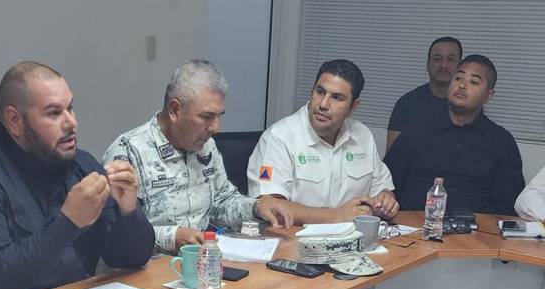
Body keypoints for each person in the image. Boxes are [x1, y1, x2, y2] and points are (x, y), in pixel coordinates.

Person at [0, 62, 154, 289]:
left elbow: (130, 258)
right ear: (14, 120)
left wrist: (128, 213)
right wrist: (68, 222)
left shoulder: (81, 164)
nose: (71, 123)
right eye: (54, 113)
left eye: (70, 108)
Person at [384, 55, 525, 289]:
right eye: (460, 77)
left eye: (475, 81)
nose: (462, 84)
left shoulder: (500, 142)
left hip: (470, 245)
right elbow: (388, 183)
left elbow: (506, 205)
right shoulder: (417, 132)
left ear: (489, 95)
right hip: (411, 239)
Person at [102, 59, 293, 253]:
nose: (216, 128)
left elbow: (222, 202)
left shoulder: (206, 146)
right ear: (175, 110)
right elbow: (115, 234)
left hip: (199, 266)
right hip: (141, 272)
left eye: (220, 116)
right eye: (206, 117)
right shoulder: (127, 153)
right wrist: (172, 237)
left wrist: (256, 208)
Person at [247, 59, 398, 225]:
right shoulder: (279, 138)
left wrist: (385, 201)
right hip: (295, 242)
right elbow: (270, 206)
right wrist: (337, 215)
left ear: (353, 107)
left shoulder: (363, 136)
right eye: (320, 92)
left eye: (337, 98)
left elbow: (384, 189)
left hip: (353, 241)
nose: (323, 104)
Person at [386, 37, 463, 151]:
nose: (443, 65)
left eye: (450, 59)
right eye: (437, 59)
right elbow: (392, 159)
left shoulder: (468, 106)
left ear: (460, 65)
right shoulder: (407, 104)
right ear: (428, 64)